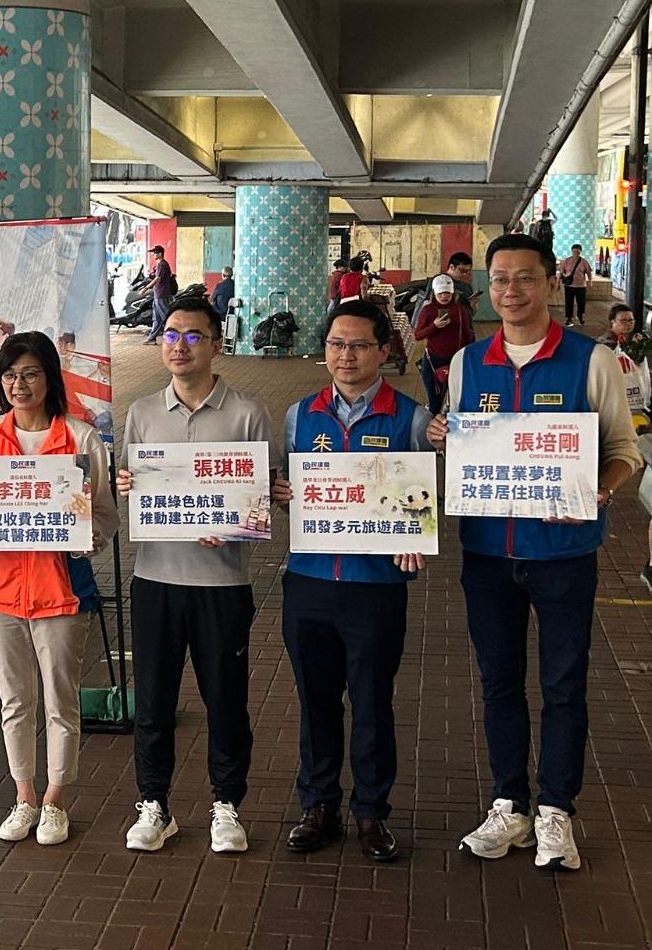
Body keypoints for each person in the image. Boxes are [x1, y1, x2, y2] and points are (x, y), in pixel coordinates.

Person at [429, 233, 640, 871]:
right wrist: (444, 435)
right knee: (498, 684)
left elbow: (625, 451)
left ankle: (556, 811)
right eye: (499, 280)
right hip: (488, 553)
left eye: (524, 279)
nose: (511, 291)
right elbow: (464, 442)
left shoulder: (590, 360)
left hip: (564, 552)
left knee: (564, 684)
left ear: (551, 283)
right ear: (486, 287)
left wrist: (601, 488)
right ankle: (508, 805)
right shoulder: (469, 363)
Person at [273, 300, 432, 863]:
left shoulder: (410, 418)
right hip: (309, 579)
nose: (346, 355)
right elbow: (290, 490)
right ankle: (318, 805)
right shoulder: (298, 415)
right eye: (337, 344)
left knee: (371, 701)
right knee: (316, 701)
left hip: (375, 585)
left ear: (384, 353)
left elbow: (422, 499)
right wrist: (279, 495)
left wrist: (416, 533)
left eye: (360, 345)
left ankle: (371, 812)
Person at [116, 297, 277, 856]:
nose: (179, 345)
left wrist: (233, 523)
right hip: (155, 579)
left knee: (226, 700)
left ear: (216, 343)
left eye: (193, 336)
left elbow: (259, 500)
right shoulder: (140, 412)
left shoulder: (248, 413)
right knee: (154, 700)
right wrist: (127, 489)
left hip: (222, 586)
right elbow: (135, 489)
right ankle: (154, 805)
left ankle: (226, 804)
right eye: (170, 334)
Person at [0, 331, 120, 847]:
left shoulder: (81, 439)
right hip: (0, 591)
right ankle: (23, 795)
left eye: (30, 373)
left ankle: (55, 800)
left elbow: (104, 516)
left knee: (60, 697)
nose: (19, 384)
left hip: (61, 589)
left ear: (50, 377)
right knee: (14, 699)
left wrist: (82, 538)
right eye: (9, 375)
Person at [413, 273, 474, 413]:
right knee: (435, 401)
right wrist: (434, 326)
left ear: (452, 292)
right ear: (434, 293)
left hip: (456, 360)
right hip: (433, 361)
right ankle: (433, 430)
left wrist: (469, 355)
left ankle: (452, 431)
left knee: (456, 400)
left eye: (447, 293)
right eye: (440, 294)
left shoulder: (460, 310)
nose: (444, 297)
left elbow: (467, 334)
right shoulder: (428, 310)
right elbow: (418, 335)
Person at [144, 247, 177, 344]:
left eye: (155, 253)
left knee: (166, 316)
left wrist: (146, 288)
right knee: (157, 318)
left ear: (160, 254)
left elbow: (158, 279)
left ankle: (176, 335)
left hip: (162, 294)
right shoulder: (159, 265)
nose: (153, 255)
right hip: (158, 294)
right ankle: (152, 338)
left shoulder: (162, 265)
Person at [558, 243, 591, 327]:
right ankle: (569, 318)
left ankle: (580, 317)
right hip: (569, 285)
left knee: (581, 303)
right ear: (572, 251)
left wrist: (590, 281)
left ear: (580, 252)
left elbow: (588, 272)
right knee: (569, 302)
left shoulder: (584, 261)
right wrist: (558, 282)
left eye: (578, 251)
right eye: (574, 251)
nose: (576, 253)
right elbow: (561, 272)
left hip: (581, 286)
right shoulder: (566, 261)